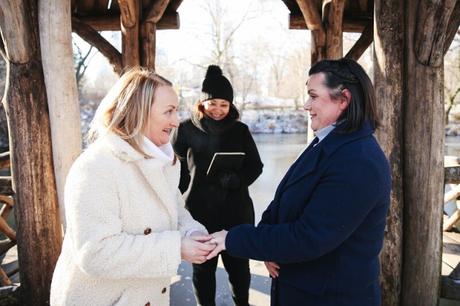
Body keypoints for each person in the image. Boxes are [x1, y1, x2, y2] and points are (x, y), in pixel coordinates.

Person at [208, 58, 392, 306]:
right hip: (303, 288)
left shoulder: (358, 161)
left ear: (343, 99)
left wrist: (233, 239)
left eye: (313, 96)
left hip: (332, 297)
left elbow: (310, 237)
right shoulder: (327, 142)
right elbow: (283, 199)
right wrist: (266, 242)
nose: (306, 105)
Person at [50, 68, 215, 306]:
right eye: (169, 111)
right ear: (137, 112)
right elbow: (95, 253)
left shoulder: (163, 161)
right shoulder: (96, 166)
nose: (176, 121)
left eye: (176, 111)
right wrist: (176, 247)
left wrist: (193, 233)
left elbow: (176, 210)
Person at [172, 65, 263, 306]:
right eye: (213, 103)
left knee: (239, 269)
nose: (218, 110)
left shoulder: (241, 131)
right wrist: (176, 203)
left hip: (236, 211)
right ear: (202, 103)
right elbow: (175, 172)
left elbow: (256, 166)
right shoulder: (184, 130)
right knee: (203, 270)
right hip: (200, 213)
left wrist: (238, 180)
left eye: (224, 105)